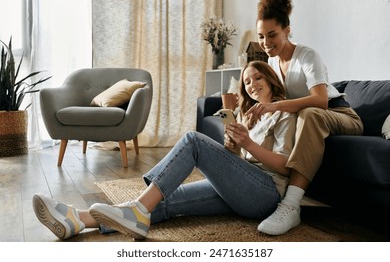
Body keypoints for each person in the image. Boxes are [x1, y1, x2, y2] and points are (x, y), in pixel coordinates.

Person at [32, 61, 297, 240]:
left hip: (266, 194)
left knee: (193, 141)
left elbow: (284, 166)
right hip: (242, 190)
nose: (252, 84)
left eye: (258, 77)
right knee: (163, 198)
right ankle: (77, 221)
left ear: (271, 79)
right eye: (247, 82)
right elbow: (240, 163)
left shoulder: (283, 112)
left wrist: (248, 143)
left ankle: (135, 211)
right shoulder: (248, 114)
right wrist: (234, 147)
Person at [249, 0, 363, 235]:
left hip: (343, 116)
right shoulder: (272, 63)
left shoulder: (307, 56)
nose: (266, 43)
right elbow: (279, 101)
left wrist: (275, 106)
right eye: (261, 36)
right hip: (311, 118)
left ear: (287, 30)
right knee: (300, 116)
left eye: (272, 35)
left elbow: (321, 101)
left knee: (309, 113)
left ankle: (291, 205)